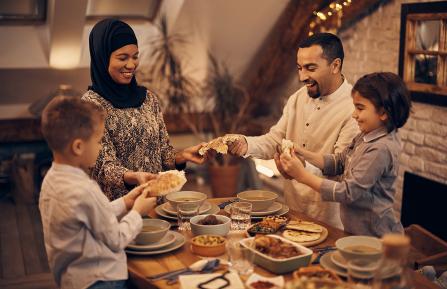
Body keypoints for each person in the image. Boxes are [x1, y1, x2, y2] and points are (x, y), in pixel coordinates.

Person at [229, 33, 359, 228]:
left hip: (330, 221)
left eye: (310, 68)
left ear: (335, 66)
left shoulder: (354, 109)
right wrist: (246, 144)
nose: (302, 77)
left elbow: (341, 170)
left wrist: (299, 168)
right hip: (292, 211)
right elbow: (275, 140)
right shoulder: (297, 98)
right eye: (299, 68)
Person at [82, 18, 205, 200]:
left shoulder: (148, 98)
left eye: (135, 56)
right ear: (102, 57)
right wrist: (134, 176)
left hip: (157, 205)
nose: (131, 65)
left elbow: (164, 153)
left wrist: (182, 156)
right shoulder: (90, 105)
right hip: (120, 211)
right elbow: (102, 167)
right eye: (122, 58)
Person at [39, 96, 156, 289]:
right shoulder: (85, 189)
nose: (100, 147)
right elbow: (116, 239)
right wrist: (137, 212)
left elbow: (92, 216)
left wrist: (126, 202)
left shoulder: (51, 180)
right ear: (78, 147)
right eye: (98, 141)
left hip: (73, 279)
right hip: (102, 280)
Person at [278, 72, 411, 237]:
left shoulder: (381, 149)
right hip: (355, 233)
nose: (354, 114)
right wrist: (303, 153)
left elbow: (348, 193)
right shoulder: (367, 134)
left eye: (360, 108)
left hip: (375, 238)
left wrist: (302, 175)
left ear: (383, 113)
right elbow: (340, 161)